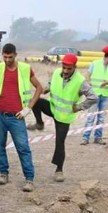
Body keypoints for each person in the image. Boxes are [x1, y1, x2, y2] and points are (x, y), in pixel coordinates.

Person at [0, 43, 43, 192]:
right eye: (5, 57)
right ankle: (4, 173)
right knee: (0, 146)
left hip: (17, 117)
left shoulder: (25, 68)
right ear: (2, 55)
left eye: (10, 57)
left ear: (16, 55)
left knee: (23, 147)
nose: (7, 60)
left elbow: (39, 88)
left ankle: (29, 179)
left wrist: (28, 108)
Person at [28, 54, 97, 182]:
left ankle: (59, 170)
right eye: (64, 67)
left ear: (74, 67)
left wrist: (80, 106)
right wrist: (46, 90)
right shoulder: (56, 73)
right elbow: (51, 83)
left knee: (60, 142)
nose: (65, 71)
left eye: (69, 69)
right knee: (35, 101)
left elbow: (94, 97)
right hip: (53, 108)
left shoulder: (81, 81)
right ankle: (39, 123)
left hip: (64, 116)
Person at [80, 44, 108, 145]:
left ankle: (98, 137)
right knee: (91, 117)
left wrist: (107, 82)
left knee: (101, 118)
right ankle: (85, 138)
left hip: (106, 95)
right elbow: (87, 76)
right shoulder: (95, 63)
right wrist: (89, 86)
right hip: (94, 95)